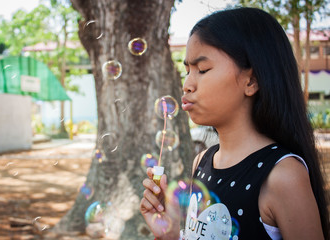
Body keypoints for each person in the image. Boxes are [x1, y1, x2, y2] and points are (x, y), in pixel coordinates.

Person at [140, 7, 330, 240]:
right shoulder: (201, 162)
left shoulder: (282, 175)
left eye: (202, 69)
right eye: (187, 70)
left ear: (251, 81)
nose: (187, 84)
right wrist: (169, 233)